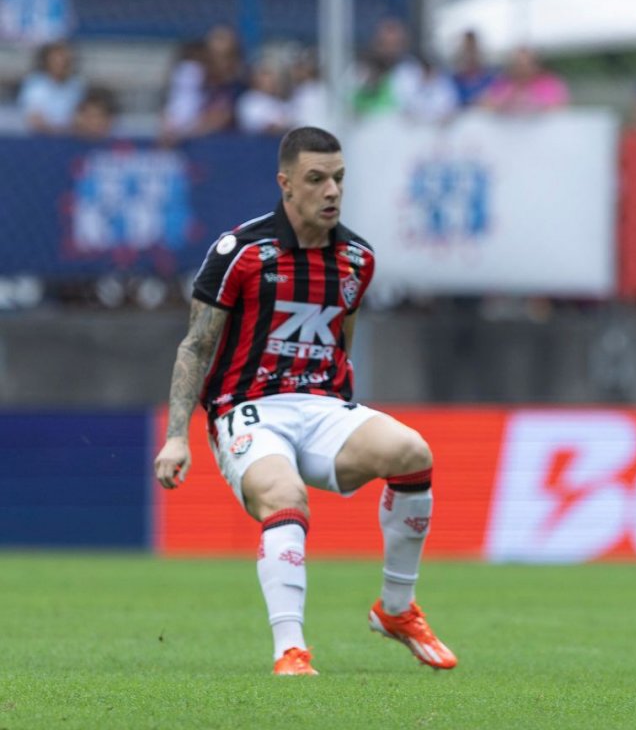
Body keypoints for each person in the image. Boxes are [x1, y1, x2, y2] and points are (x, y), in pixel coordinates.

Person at [152, 127, 457, 676]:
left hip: (319, 406)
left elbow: (343, 336)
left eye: (339, 178)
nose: (332, 191)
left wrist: (344, 403)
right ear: (286, 184)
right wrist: (178, 435)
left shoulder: (358, 258)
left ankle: (395, 609)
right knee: (286, 496)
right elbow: (196, 345)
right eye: (317, 179)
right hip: (247, 408)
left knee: (413, 453)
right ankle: (290, 650)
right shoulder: (241, 251)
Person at [19, 40, 84, 134]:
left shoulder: (78, 86)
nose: (60, 64)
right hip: (39, 138)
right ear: (46, 61)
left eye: (64, 61)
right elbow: (34, 120)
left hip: (71, 138)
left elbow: (82, 119)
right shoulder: (34, 85)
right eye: (55, 60)